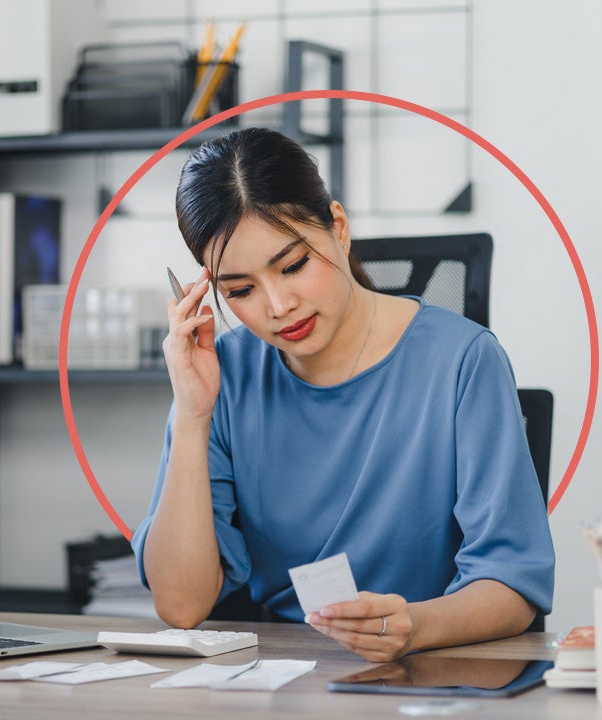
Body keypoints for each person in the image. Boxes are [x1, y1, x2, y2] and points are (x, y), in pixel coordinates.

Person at [132, 127, 555, 662]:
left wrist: (416, 625)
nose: (278, 304)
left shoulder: (462, 360)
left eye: (293, 266)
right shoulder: (224, 373)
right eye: (240, 290)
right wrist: (193, 414)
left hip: (427, 668)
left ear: (338, 227)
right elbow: (181, 606)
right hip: (278, 676)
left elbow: (513, 585)